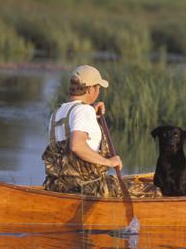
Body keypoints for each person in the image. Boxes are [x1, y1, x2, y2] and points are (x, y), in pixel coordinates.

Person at [42, 65, 161, 198]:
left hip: (59, 187)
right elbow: (76, 145)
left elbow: (70, 137)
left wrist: (92, 114)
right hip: (88, 187)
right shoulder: (83, 111)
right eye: (98, 88)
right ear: (90, 89)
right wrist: (109, 162)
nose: (98, 92)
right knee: (155, 191)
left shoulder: (57, 113)